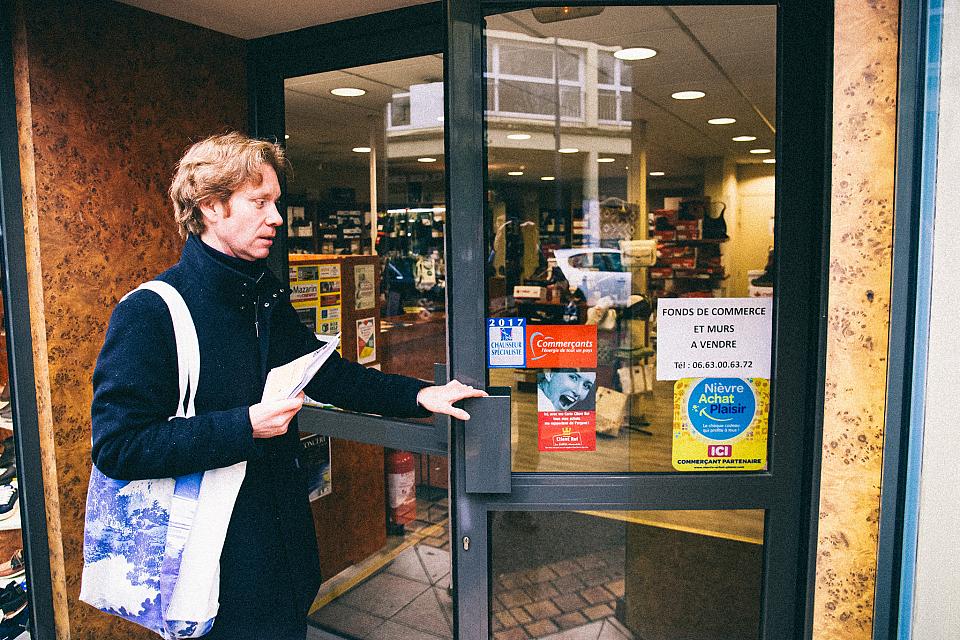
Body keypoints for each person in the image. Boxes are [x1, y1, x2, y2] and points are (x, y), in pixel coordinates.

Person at [89, 132, 485, 640]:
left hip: (283, 559)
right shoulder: (149, 313)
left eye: (275, 201)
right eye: (260, 202)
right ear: (211, 207)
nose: (276, 217)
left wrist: (416, 396)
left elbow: (328, 373)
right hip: (211, 573)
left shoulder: (262, 296)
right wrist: (244, 425)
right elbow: (118, 447)